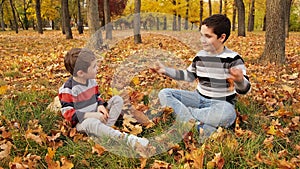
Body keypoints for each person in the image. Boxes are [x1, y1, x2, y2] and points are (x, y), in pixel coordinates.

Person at [154, 14, 251, 138]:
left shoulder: (233, 59)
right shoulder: (200, 56)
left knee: (228, 114)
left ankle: (186, 116)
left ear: (222, 37)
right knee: (165, 93)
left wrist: (240, 80)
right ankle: (199, 125)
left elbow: (245, 89)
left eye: (208, 36)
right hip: (198, 98)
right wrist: (165, 71)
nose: (202, 40)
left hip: (221, 103)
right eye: (201, 35)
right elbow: (188, 75)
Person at [58, 48, 149, 148]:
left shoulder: (91, 81)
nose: (97, 68)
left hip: (99, 114)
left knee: (117, 100)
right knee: (91, 123)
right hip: (83, 122)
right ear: (81, 73)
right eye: (93, 67)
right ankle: (126, 139)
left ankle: (106, 129)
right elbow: (68, 114)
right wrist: (91, 115)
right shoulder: (68, 90)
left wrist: (100, 105)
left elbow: (97, 97)